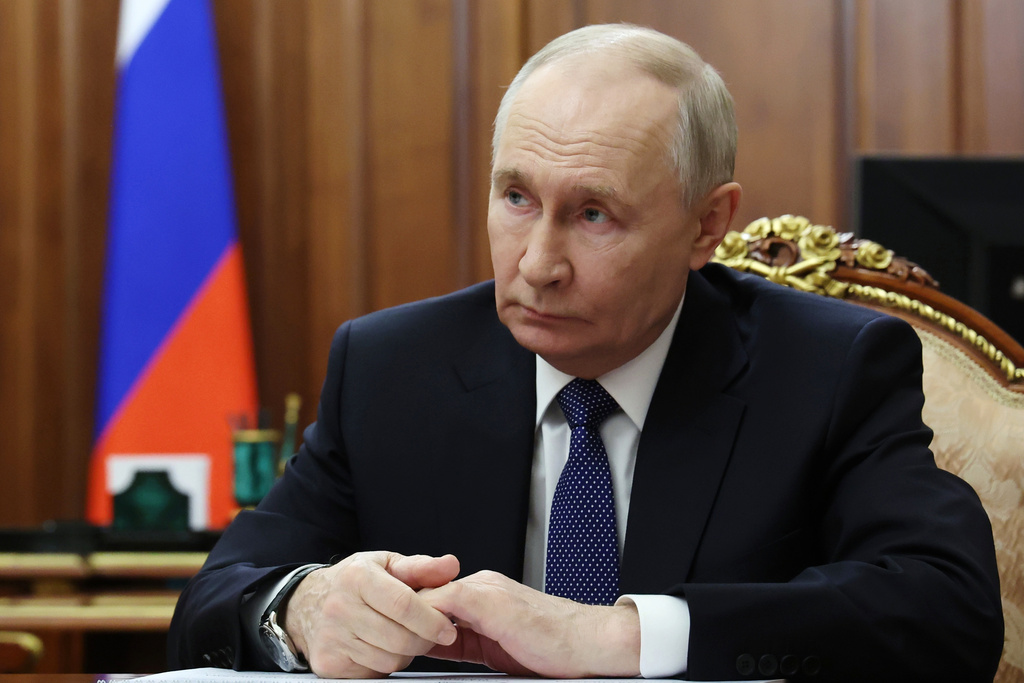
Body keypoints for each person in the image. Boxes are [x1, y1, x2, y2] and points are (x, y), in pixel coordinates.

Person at [168, 24, 1003, 681]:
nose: (537, 264)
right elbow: (212, 598)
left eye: (593, 214)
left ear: (707, 224)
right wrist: (302, 605)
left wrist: (619, 634)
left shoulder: (826, 369)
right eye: (517, 197)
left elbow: (947, 610)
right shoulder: (392, 367)